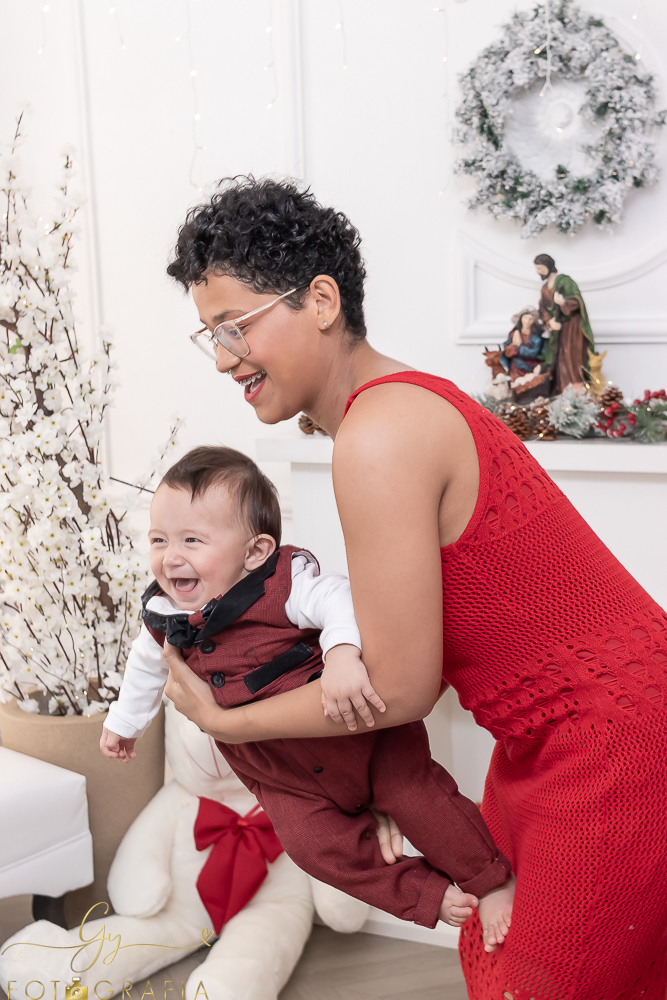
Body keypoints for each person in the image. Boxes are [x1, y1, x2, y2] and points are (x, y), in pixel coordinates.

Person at [160, 177, 667, 999]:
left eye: (234, 326)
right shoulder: (391, 412)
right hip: (563, 735)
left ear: (320, 300)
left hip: (613, 743)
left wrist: (225, 718)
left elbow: (398, 689)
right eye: (207, 335)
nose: (222, 357)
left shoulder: (379, 433)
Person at [101, 445, 514, 940]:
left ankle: (490, 881)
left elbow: (337, 597)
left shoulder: (281, 584)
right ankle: (426, 894)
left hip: (365, 738)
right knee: (312, 845)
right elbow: (145, 666)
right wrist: (125, 724)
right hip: (282, 777)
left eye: (192, 540)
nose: (171, 557)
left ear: (255, 552)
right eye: (159, 539)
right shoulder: (165, 615)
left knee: (421, 798)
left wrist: (341, 653)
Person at [534, 252, 595, 394]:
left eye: (540, 268)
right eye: (537, 269)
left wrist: (564, 303)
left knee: (571, 357)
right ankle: (561, 390)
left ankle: (576, 390)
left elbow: (577, 301)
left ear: (549, 266)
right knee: (558, 357)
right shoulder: (544, 288)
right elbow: (542, 308)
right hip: (556, 329)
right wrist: (549, 321)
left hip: (571, 327)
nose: (538, 272)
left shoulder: (565, 281)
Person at [499, 308, 549, 401]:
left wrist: (518, 348)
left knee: (530, 385)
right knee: (517, 385)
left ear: (533, 321)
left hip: (531, 365)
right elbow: (506, 350)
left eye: (530, 319)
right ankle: (516, 401)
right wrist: (512, 347)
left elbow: (533, 352)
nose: (527, 321)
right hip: (516, 366)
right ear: (521, 319)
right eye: (525, 318)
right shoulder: (513, 334)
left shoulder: (536, 337)